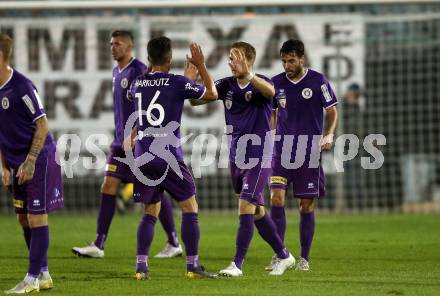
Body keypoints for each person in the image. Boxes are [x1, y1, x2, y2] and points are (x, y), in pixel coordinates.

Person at [72, 30, 182, 259]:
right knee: (108, 185)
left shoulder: (140, 70)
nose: (113, 47)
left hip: (139, 142)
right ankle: (99, 244)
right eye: (111, 43)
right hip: (120, 143)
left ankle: (173, 242)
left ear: (129, 46)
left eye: (118, 44)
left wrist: (136, 134)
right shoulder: (116, 71)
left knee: (155, 192)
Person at [193, 42, 295, 277]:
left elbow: (271, 92)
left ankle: (236, 265)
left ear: (248, 59)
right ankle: (284, 255)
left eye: (235, 58)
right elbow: (198, 100)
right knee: (257, 211)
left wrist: (248, 73)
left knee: (245, 206)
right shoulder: (226, 85)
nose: (231, 63)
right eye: (229, 58)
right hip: (236, 157)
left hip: (260, 155)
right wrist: (199, 69)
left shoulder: (261, 82)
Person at [128, 36, 218, 279]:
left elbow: (151, 92)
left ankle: (141, 267)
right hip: (167, 156)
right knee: (190, 207)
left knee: (150, 211)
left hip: (142, 156)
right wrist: (200, 66)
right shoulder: (177, 82)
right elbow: (211, 94)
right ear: (170, 59)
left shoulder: (137, 83)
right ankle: (192, 265)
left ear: (148, 59)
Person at [0, 32, 64, 294]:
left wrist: (30, 161)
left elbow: (43, 124)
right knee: (24, 220)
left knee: (37, 219)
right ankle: (44, 274)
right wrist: (4, 167)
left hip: (39, 161)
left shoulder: (22, 87)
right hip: (14, 164)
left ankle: (32, 279)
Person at [269, 39, 338, 271]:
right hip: (281, 151)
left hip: (308, 152)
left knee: (305, 206)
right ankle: (280, 254)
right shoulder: (276, 84)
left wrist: (329, 135)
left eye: (291, 61)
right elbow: (272, 115)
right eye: (284, 61)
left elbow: (332, 111)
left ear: (301, 59)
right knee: (276, 199)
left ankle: (304, 258)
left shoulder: (318, 81)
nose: (287, 65)